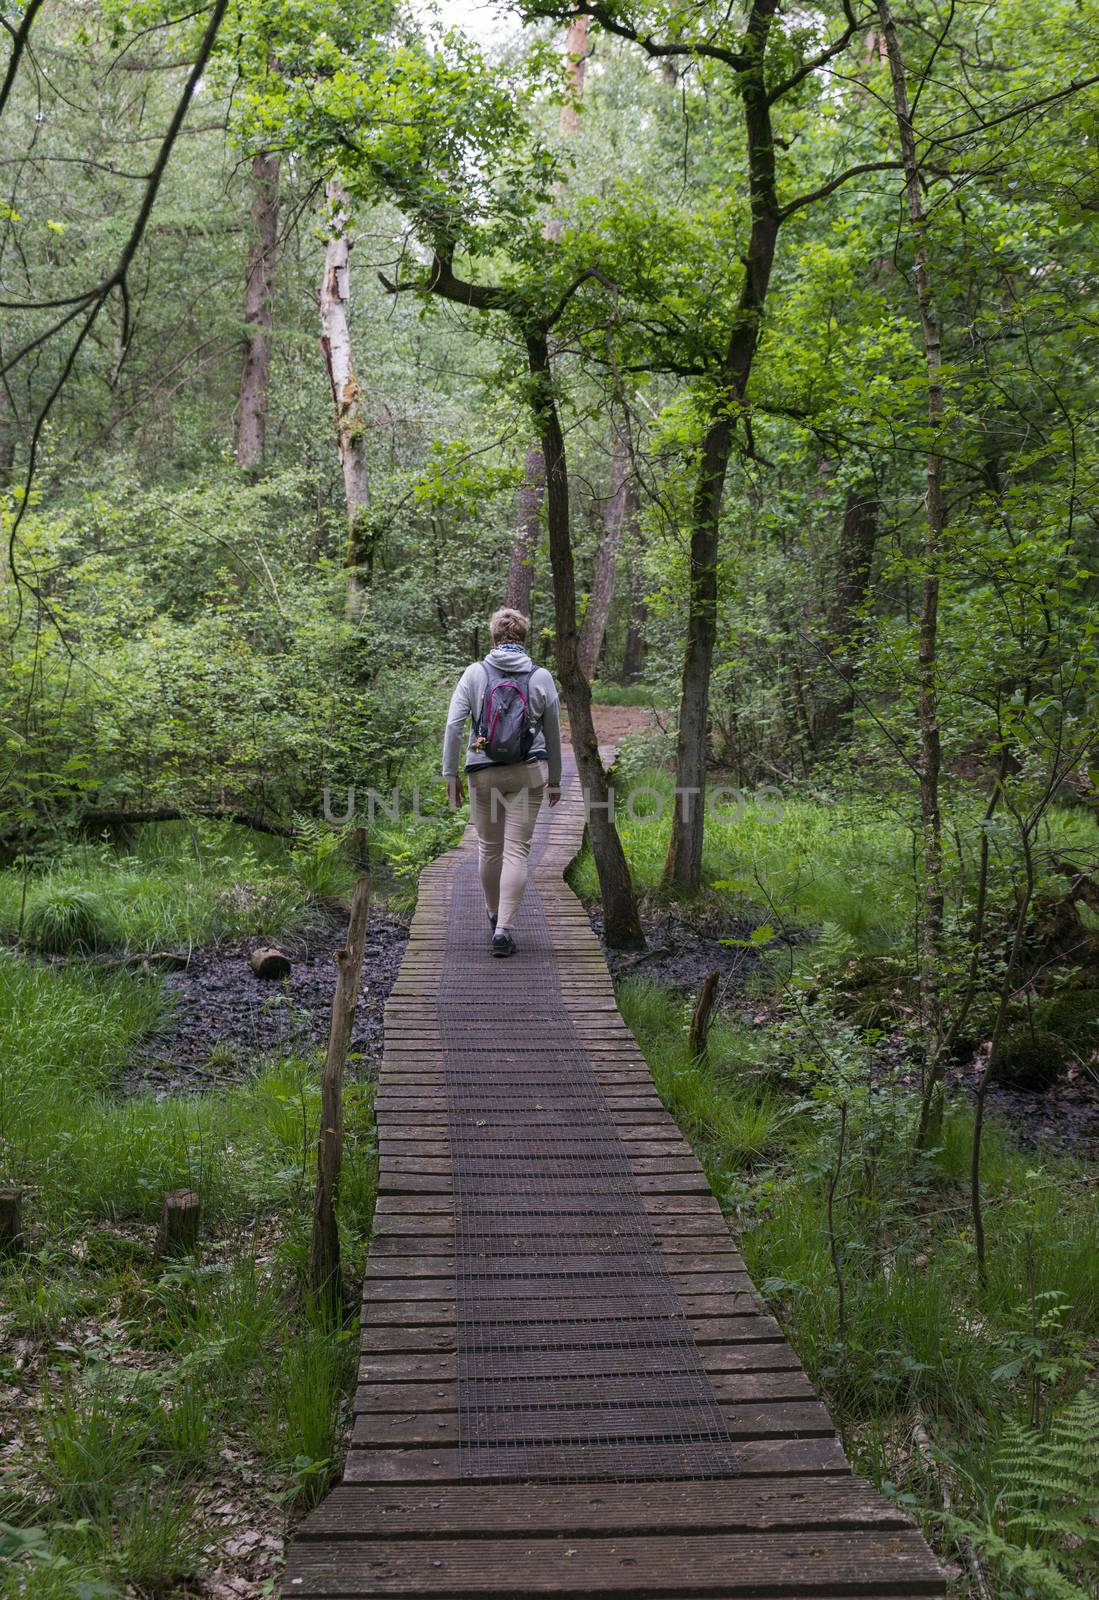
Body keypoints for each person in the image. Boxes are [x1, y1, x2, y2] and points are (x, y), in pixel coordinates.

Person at [442, 608, 562, 957]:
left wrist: (451, 773)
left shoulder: (474, 673)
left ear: (494, 638)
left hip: (484, 772)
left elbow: (453, 726)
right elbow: (553, 733)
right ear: (524, 638)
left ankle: (494, 915)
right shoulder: (541, 677)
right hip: (528, 774)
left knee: (489, 849)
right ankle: (504, 929)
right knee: (517, 851)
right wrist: (555, 779)